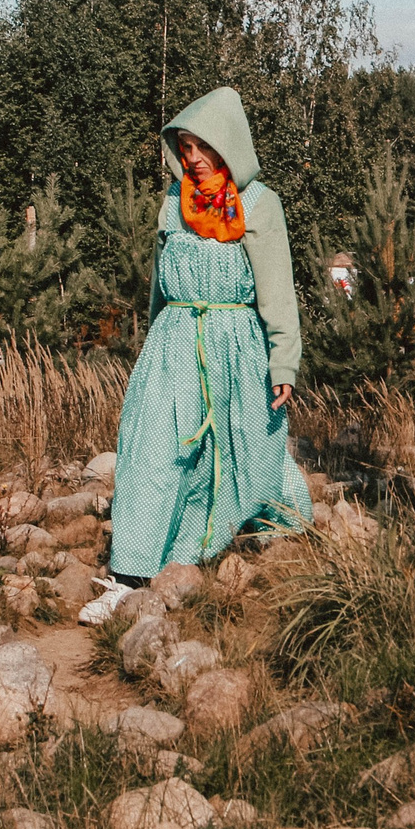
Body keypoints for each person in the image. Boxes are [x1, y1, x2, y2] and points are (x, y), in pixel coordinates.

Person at [77, 88, 310, 625]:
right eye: (185, 147)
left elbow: (278, 290)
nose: (194, 158)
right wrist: (153, 346)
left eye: (203, 146)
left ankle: (207, 549)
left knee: (241, 451)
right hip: (176, 340)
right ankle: (128, 576)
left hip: (239, 344)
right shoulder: (172, 202)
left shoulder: (259, 204)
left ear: (228, 143)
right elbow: (160, 285)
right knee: (153, 446)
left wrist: (283, 363)